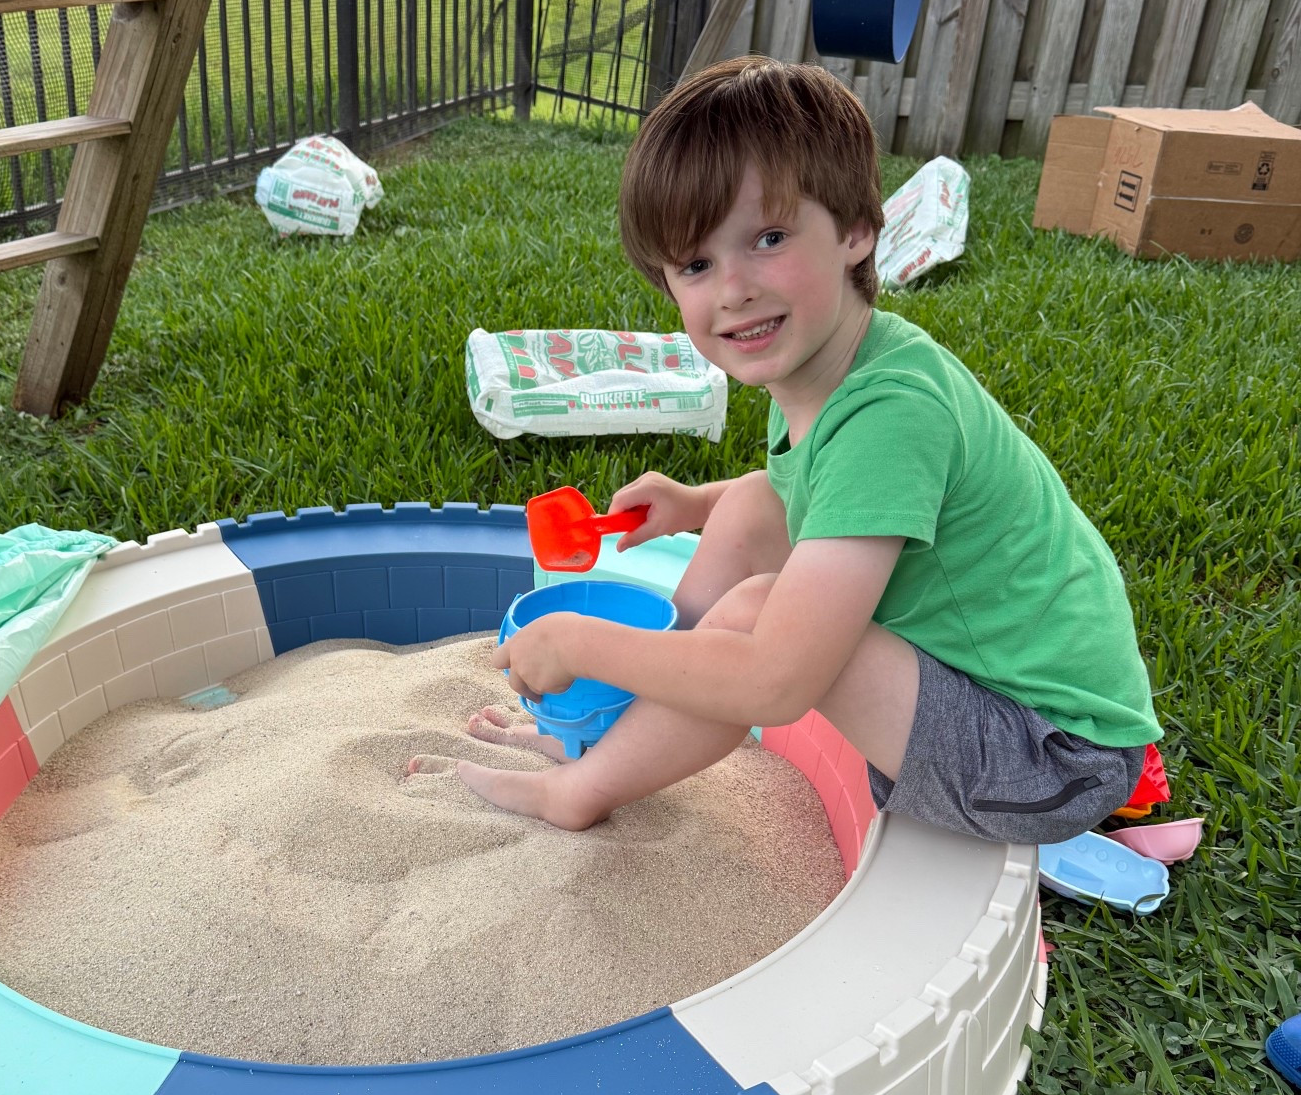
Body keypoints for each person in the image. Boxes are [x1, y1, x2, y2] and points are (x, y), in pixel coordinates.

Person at [451, 57, 1160, 843]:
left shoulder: (892, 412)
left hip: (1049, 757)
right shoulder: (827, 368)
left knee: (757, 623)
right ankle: (618, 737)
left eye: (769, 237)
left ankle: (583, 787)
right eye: (696, 263)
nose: (733, 289)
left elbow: (777, 683)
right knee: (756, 504)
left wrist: (581, 642)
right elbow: (816, 485)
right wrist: (696, 504)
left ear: (856, 230)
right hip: (991, 699)